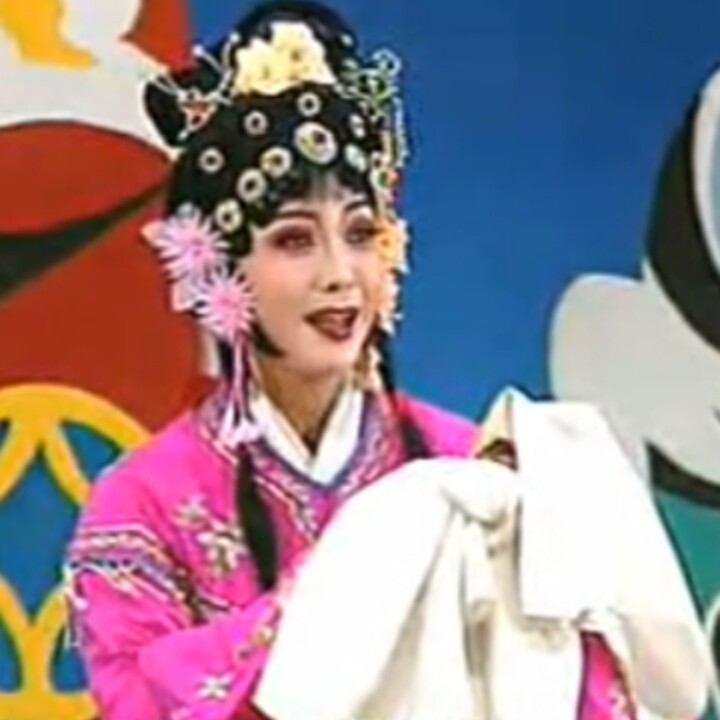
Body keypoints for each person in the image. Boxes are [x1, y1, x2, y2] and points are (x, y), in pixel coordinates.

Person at [62, 3, 678, 719]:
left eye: (360, 234)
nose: (339, 275)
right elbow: (138, 701)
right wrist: (347, 578)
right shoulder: (142, 505)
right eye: (295, 240)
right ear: (219, 267)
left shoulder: (467, 476)